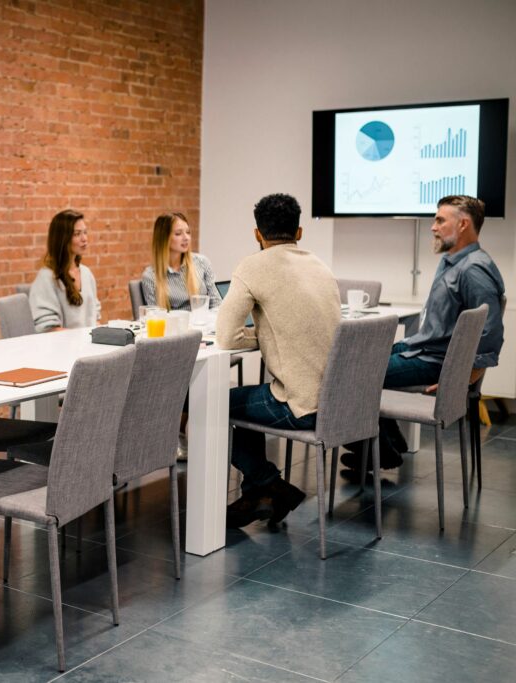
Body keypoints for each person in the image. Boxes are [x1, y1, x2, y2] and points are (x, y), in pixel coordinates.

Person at [341, 195, 505, 472]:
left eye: (440, 220)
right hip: (420, 348)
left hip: (433, 360)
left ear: (463, 224)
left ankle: (379, 449)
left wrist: (462, 378)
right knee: (352, 358)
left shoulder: (473, 269)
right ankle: (388, 444)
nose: (433, 226)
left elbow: (490, 330)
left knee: (349, 373)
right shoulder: (454, 260)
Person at [216, 194, 341, 527]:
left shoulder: (252, 266)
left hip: (301, 404)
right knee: (242, 402)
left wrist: (261, 336)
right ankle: (261, 495)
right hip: (336, 401)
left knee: (215, 403)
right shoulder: (320, 265)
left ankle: (270, 484)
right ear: (299, 232)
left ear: (257, 234)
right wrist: (274, 335)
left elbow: (226, 337)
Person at [29, 209, 101, 332]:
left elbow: (96, 318)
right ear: (63, 239)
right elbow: (48, 328)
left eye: (85, 232)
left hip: (90, 346)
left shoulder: (87, 273)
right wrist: (83, 341)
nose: (84, 239)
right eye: (77, 234)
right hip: (64, 348)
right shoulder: (47, 277)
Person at [141, 212, 222, 311]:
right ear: (164, 238)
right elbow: (155, 317)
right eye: (178, 234)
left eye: (188, 232)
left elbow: (217, 303)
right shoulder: (150, 276)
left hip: (204, 324)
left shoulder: (202, 262)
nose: (186, 238)